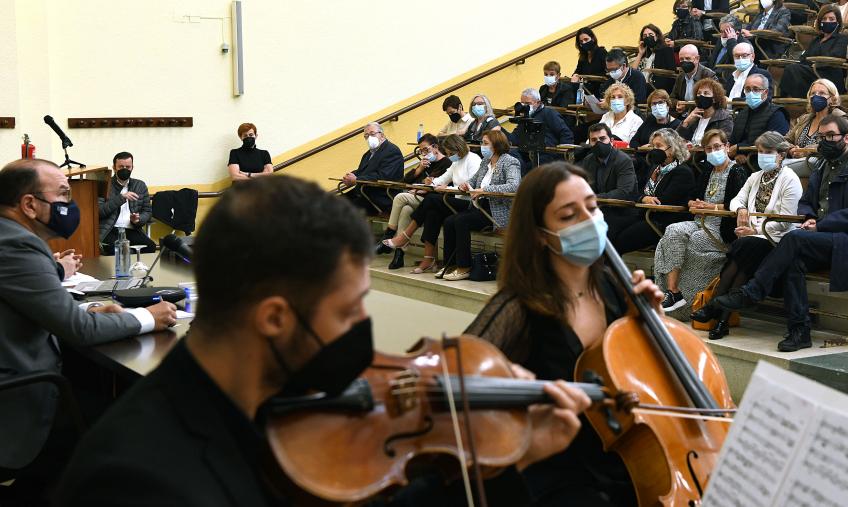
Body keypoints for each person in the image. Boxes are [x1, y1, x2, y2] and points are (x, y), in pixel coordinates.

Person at [56, 176, 592, 507]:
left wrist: (505, 462)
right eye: (350, 307)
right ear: (274, 318)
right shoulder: (140, 483)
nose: (365, 327)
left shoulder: (273, 398)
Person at [466, 162, 665, 507]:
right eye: (569, 215)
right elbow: (462, 364)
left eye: (592, 206)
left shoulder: (617, 289)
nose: (589, 221)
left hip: (628, 461)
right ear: (541, 234)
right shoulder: (519, 305)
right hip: (560, 477)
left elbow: (645, 384)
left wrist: (653, 326)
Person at [0, 159, 176, 504]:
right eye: (64, 194)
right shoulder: (15, 245)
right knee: (139, 422)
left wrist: (90, 308)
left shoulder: (10, 236)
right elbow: (77, 330)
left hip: (23, 376)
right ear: (29, 205)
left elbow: (34, 310)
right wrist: (147, 316)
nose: (71, 205)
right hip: (19, 400)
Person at [713, 114, 848, 352]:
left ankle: (754, 290)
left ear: (847, 138)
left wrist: (821, 225)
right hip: (824, 238)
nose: (825, 141)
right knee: (793, 260)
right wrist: (810, 217)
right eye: (821, 136)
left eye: (830, 136)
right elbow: (806, 202)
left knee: (793, 239)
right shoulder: (823, 165)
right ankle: (799, 330)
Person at [692, 131, 802, 340]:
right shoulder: (755, 176)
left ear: (780, 154)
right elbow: (736, 201)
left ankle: (714, 307)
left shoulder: (790, 179)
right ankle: (721, 319)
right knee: (743, 257)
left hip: (776, 240)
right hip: (750, 240)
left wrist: (756, 231)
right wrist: (741, 209)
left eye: (768, 152)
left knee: (743, 248)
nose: (763, 156)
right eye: (760, 152)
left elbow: (786, 221)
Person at [653, 129, 747, 314]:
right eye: (709, 148)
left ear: (727, 147)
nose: (713, 151)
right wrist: (693, 203)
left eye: (717, 147)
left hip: (720, 228)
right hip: (699, 221)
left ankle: (690, 303)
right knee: (672, 231)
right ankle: (673, 292)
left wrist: (710, 207)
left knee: (693, 241)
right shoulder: (707, 170)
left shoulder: (737, 171)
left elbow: (737, 204)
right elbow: (691, 196)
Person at [381, 135, 481, 274]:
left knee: (432, 199)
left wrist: (447, 188)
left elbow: (471, 186)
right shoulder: (456, 162)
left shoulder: (473, 159)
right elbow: (441, 179)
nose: (449, 156)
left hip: (469, 203)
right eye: (447, 153)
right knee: (432, 212)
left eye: (450, 153)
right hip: (456, 201)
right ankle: (432, 260)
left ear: (458, 148)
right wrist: (431, 182)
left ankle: (405, 236)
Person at [441, 131, 521, 281]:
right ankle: (449, 265)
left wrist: (485, 190)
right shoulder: (485, 162)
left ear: (496, 145)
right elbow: (474, 180)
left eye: (485, 143)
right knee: (449, 221)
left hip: (497, 211)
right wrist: (466, 185)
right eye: (481, 143)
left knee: (460, 221)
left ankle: (464, 267)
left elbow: (514, 186)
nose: (481, 146)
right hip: (480, 207)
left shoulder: (510, 162)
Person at [606, 128, 695, 254]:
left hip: (662, 221)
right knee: (610, 229)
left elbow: (665, 201)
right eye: (653, 146)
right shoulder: (654, 168)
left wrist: (644, 199)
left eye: (658, 146)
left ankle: (615, 271)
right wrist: (643, 198)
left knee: (621, 240)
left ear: (672, 148)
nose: (654, 150)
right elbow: (636, 193)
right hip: (644, 215)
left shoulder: (682, 172)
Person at [374, 134, 452, 270]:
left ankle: (388, 235)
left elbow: (434, 185)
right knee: (405, 210)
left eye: (426, 150)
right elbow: (405, 181)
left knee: (399, 197)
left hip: (431, 200)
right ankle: (399, 255)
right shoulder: (426, 163)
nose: (424, 154)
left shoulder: (446, 163)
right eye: (421, 151)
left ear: (435, 147)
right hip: (418, 198)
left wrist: (418, 187)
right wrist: (419, 169)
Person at [780, 5, 848, 97]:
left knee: (793, 69)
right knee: (791, 68)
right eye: (824, 19)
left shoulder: (841, 38)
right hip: (812, 72)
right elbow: (804, 58)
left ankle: (789, 98)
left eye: (831, 19)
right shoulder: (816, 40)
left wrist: (814, 61)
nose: (828, 21)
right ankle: (787, 100)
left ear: (837, 22)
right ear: (820, 21)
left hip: (829, 75)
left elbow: (837, 56)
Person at [784, 79, 846, 177]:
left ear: (832, 98)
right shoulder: (804, 118)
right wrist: (791, 149)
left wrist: (804, 152)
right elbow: (786, 139)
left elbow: (835, 145)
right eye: (813, 93)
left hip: (822, 162)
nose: (816, 96)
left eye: (822, 93)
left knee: (779, 167)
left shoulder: (838, 119)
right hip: (797, 161)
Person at [98, 151, 155, 255]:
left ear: (132, 167)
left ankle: (136, 266)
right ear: (114, 168)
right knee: (117, 250)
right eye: (121, 167)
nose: (125, 169)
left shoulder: (140, 185)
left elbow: (147, 211)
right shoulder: (105, 185)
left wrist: (138, 219)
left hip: (131, 229)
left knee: (150, 246)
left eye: (128, 167)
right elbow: (99, 211)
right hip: (110, 230)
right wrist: (121, 198)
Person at [341, 122, 404, 216]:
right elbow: (362, 171)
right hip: (364, 193)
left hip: (380, 197)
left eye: (372, 134)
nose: (369, 138)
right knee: (333, 203)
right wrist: (351, 175)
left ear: (382, 135)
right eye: (366, 136)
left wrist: (357, 180)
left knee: (344, 212)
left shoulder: (392, 150)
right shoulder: (368, 154)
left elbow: (383, 176)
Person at [729, 74, 789, 167]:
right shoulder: (741, 114)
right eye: (748, 89)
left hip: (764, 163)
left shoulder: (776, 114)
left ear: (765, 92)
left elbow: (774, 143)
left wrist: (740, 148)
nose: (751, 93)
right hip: (740, 163)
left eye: (756, 89)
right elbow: (732, 142)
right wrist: (738, 154)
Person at [508, 88, 574, 172]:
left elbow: (566, 133)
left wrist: (562, 158)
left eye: (528, 103)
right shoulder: (524, 117)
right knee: (509, 154)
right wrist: (497, 128)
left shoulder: (548, 113)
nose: (524, 107)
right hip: (528, 154)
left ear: (538, 102)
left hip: (547, 154)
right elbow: (514, 139)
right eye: (522, 104)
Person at [579, 123, 638, 203]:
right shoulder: (588, 160)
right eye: (594, 140)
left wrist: (594, 198)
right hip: (595, 208)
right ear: (589, 143)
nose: (598, 143)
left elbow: (623, 192)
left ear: (611, 140)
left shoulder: (623, 160)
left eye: (602, 138)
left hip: (619, 210)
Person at [677, 78, 734, 145]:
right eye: (699, 93)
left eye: (706, 93)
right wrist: (686, 122)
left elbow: (721, 143)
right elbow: (676, 140)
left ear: (714, 99)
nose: (701, 96)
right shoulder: (694, 116)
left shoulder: (725, 118)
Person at [632, 24, 677, 93]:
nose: (648, 37)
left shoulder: (666, 50)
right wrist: (640, 54)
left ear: (657, 36)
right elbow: (632, 72)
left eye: (651, 34)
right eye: (645, 36)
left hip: (657, 87)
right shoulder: (644, 54)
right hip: (643, 85)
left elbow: (671, 72)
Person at [571, 27, 609, 96]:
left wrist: (587, 78)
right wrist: (575, 75)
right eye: (581, 41)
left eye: (586, 39)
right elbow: (577, 71)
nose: (584, 43)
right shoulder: (583, 57)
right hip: (588, 89)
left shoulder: (601, 52)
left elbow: (608, 72)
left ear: (593, 38)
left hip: (601, 88)